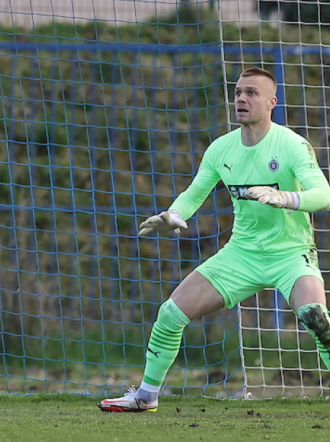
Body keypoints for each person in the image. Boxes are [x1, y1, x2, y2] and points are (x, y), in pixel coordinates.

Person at [100, 67, 330, 413]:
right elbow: (195, 193)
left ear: (272, 102)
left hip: (291, 254)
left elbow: (323, 195)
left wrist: (285, 197)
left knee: (316, 318)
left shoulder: (292, 145)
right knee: (171, 313)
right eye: (238, 92)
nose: (241, 98)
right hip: (241, 255)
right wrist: (174, 214)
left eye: (251, 93)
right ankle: (145, 396)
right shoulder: (221, 149)